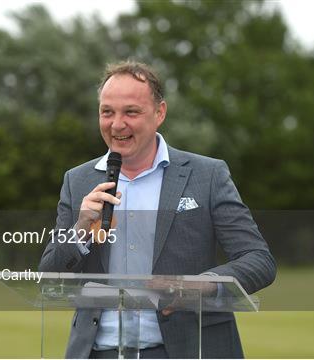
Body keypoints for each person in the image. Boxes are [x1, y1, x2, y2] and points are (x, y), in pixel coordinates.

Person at [38, 61, 276, 359]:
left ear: (159, 113)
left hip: (189, 350)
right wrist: (81, 229)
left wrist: (198, 286)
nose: (117, 124)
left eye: (131, 112)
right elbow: (48, 277)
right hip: (100, 352)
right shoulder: (77, 181)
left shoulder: (208, 175)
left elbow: (259, 260)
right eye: (107, 112)